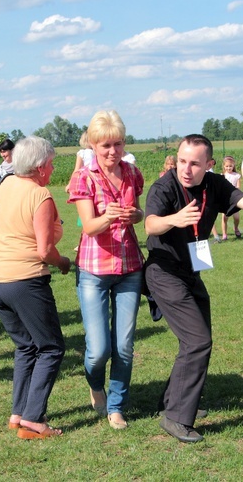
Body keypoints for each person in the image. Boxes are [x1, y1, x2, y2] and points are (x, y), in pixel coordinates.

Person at [144, 134, 243, 443]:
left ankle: (172, 401)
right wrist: (174, 218)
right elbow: (150, 224)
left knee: (199, 339)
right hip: (163, 271)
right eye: (182, 161)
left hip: (192, 269)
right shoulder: (164, 187)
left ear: (209, 165)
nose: (186, 169)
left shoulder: (215, 184)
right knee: (197, 341)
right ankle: (176, 417)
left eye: (195, 164)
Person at [0, 136, 70, 440]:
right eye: (51, 162)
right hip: (24, 279)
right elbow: (45, 250)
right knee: (51, 347)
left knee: (26, 346)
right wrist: (63, 262)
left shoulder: (5, 184)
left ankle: (18, 413)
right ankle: (33, 420)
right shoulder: (40, 195)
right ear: (40, 166)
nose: (53, 167)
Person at [67, 110, 144, 430]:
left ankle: (116, 406)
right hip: (94, 270)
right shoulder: (83, 177)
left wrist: (133, 216)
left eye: (118, 144)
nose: (113, 152)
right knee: (98, 349)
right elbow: (89, 226)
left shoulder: (132, 173)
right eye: (105, 146)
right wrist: (110, 217)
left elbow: (139, 213)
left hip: (129, 267)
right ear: (93, 147)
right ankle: (95, 384)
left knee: (124, 346)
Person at [221, 156, 242, 240]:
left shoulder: (236, 175)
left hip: (235, 199)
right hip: (225, 199)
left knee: (236, 217)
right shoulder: (222, 176)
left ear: (233, 166)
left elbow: (238, 186)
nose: (229, 168)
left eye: (230, 166)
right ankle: (224, 234)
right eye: (227, 166)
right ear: (224, 166)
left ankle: (236, 228)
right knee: (225, 218)